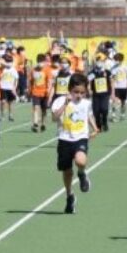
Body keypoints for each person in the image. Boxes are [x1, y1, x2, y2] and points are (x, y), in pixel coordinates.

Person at [51, 73, 98, 215]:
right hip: (64, 139)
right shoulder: (60, 101)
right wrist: (65, 103)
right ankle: (69, 195)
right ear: (70, 89)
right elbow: (54, 118)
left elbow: (88, 115)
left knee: (80, 160)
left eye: (82, 93)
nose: (79, 95)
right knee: (67, 172)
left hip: (80, 137)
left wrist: (95, 128)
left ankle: (82, 174)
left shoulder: (86, 103)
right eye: (76, 92)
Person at [88, 54, 113, 132]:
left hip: (105, 94)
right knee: (96, 111)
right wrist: (89, 90)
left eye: (101, 61)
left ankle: (105, 121)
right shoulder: (92, 72)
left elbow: (112, 82)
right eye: (97, 61)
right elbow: (89, 82)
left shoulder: (107, 72)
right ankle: (98, 124)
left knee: (104, 109)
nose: (99, 62)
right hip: (95, 95)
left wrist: (112, 93)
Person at [30, 54, 53, 133]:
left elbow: (50, 81)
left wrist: (48, 89)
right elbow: (31, 80)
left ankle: (43, 123)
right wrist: (29, 90)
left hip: (44, 93)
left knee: (44, 110)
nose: (40, 63)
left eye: (42, 62)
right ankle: (36, 123)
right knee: (36, 107)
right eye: (39, 62)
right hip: (35, 91)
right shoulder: (33, 70)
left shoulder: (47, 70)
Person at [110, 52, 127, 122]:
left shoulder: (125, 67)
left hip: (124, 87)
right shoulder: (113, 68)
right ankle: (113, 115)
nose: (117, 61)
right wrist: (112, 89)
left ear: (121, 60)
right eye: (116, 59)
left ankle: (122, 114)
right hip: (116, 87)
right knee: (114, 101)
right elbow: (112, 79)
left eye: (118, 59)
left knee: (123, 102)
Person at [0, 55, 19, 123]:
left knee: (10, 103)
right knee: (3, 102)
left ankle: (10, 115)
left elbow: (16, 79)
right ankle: (2, 116)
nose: (9, 63)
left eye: (10, 61)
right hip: (3, 87)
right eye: (7, 61)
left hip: (10, 88)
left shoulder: (13, 69)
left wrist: (15, 87)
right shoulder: (2, 69)